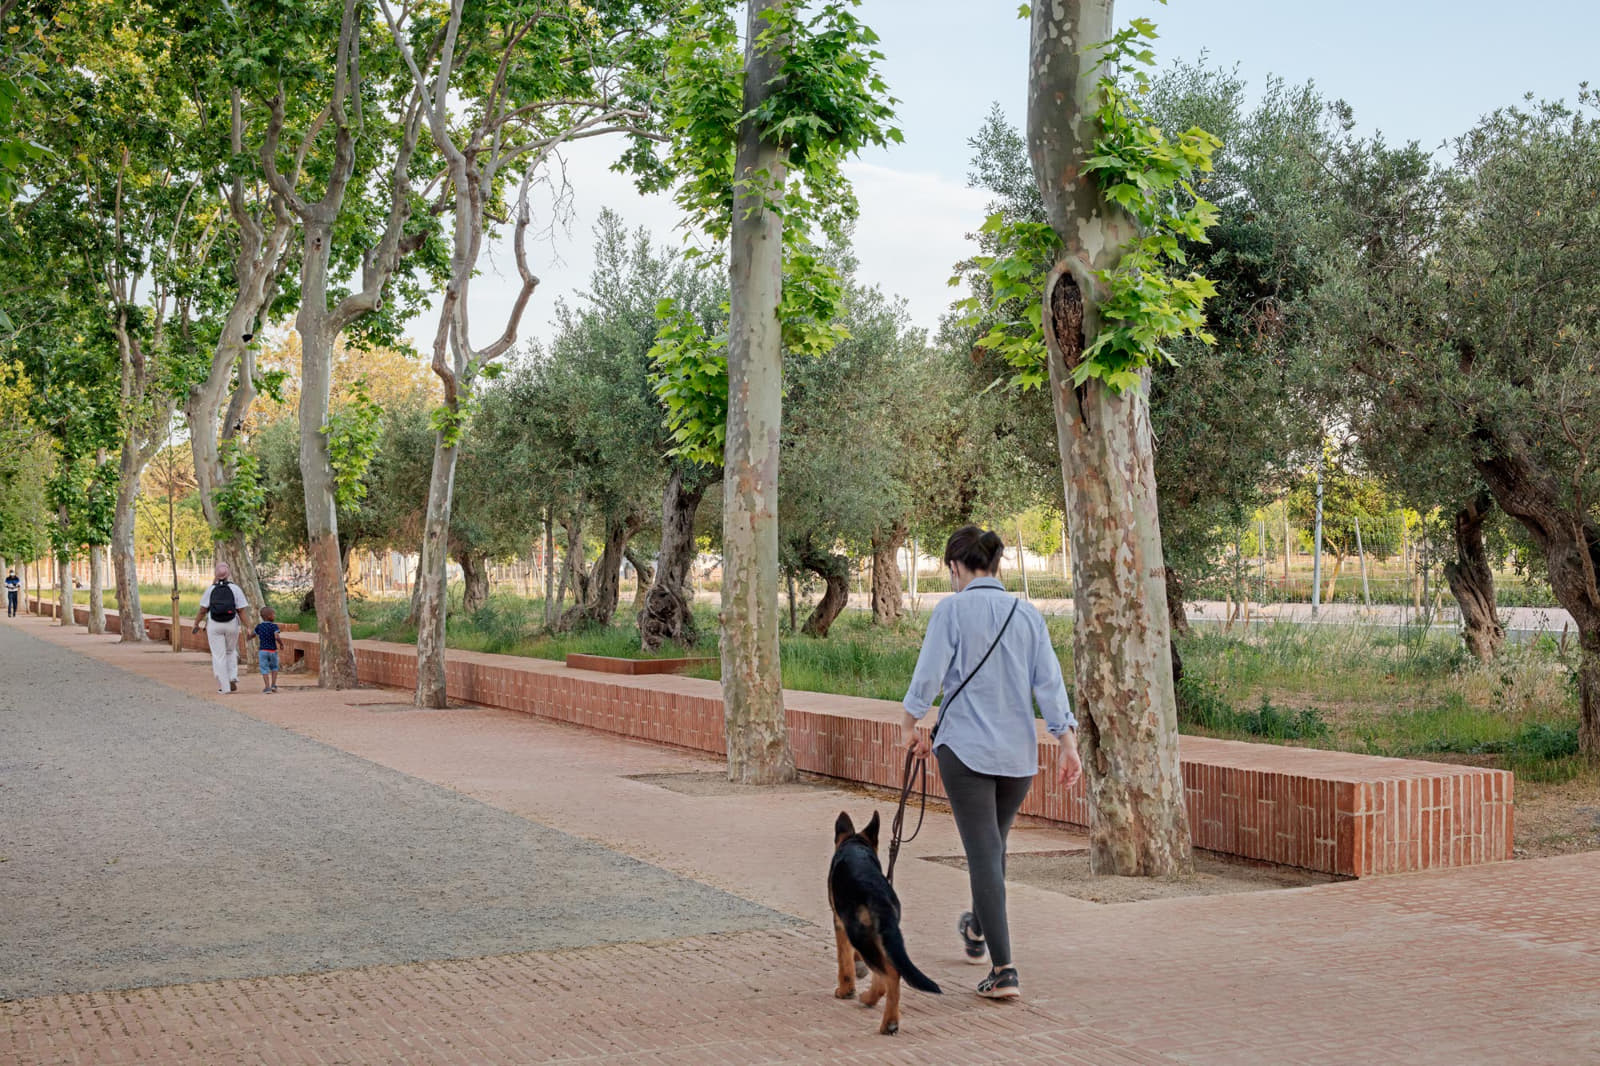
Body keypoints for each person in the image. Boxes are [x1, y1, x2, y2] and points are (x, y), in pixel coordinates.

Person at [901, 525, 1082, 1002]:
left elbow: (929, 676)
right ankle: (978, 929)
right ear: (996, 565)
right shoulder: (1028, 616)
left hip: (965, 752)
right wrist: (1068, 744)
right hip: (1018, 757)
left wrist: (909, 725)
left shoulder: (952, 611)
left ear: (956, 567)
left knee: (984, 852)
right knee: (993, 844)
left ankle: (1004, 970)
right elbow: (1049, 684)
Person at [191, 563, 251, 694]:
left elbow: (202, 610)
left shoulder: (211, 589)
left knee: (219, 656)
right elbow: (241, 611)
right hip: (232, 624)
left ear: (215, 575)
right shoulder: (235, 589)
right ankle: (232, 676)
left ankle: (225, 687)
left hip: (214, 624)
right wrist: (249, 627)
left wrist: (196, 623)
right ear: (228, 574)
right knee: (230, 651)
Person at [251, 607, 282, 693]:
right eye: (273, 614)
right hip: (273, 651)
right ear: (269, 616)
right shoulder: (274, 626)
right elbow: (277, 637)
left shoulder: (259, 626)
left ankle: (267, 687)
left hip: (263, 651)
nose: (274, 616)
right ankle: (273, 685)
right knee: (274, 667)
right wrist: (281, 644)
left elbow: (253, 634)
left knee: (264, 669)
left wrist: (248, 637)